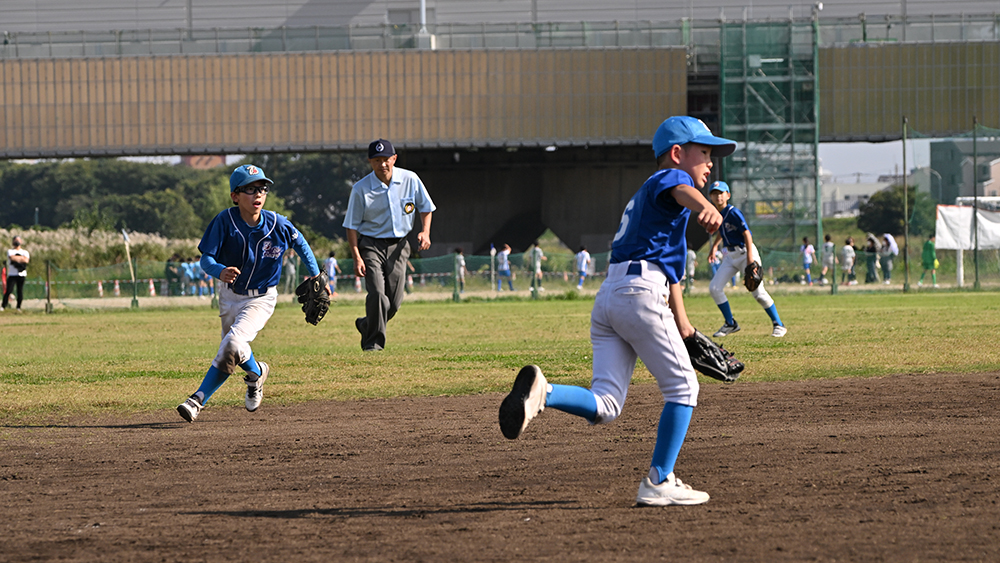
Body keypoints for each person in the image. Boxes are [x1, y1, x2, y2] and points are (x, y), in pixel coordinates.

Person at [499, 115, 734, 506]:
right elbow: (679, 186)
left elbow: (672, 277)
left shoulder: (657, 211)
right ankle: (660, 481)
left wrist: (686, 329)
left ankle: (545, 393)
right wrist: (705, 206)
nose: (711, 163)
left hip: (612, 296)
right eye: (704, 152)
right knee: (684, 388)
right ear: (676, 154)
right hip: (639, 294)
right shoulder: (668, 180)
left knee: (606, 404)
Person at [176, 164, 324, 423]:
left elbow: (300, 242)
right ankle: (256, 375)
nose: (258, 194)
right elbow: (206, 259)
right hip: (230, 295)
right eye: (250, 189)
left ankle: (197, 400)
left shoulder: (277, 223)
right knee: (233, 349)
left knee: (231, 344)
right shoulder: (225, 221)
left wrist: (316, 276)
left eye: (262, 189)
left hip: (262, 298)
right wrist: (220, 271)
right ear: (235, 196)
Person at [344, 139, 436, 351]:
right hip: (371, 245)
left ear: (394, 159)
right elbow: (351, 226)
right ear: (370, 162)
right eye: (377, 160)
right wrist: (357, 256)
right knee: (376, 293)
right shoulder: (360, 189)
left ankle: (366, 324)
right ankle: (373, 344)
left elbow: (426, 207)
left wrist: (425, 231)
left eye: (386, 159)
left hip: (400, 246)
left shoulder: (410, 179)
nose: (382, 164)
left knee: (393, 303)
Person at [706, 181, 787, 338]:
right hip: (730, 256)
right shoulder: (718, 213)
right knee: (714, 288)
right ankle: (730, 323)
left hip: (745, 253)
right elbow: (722, 232)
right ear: (710, 197)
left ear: (728, 195)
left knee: (758, 293)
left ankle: (779, 324)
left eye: (721, 193)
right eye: (714, 193)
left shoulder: (733, 212)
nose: (718, 196)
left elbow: (747, 234)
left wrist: (750, 258)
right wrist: (714, 247)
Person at [2, 236, 30, 312]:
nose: (17, 242)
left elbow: (26, 260)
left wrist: (18, 259)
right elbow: (11, 258)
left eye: (18, 240)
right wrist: (21, 258)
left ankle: (18, 307)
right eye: (15, 240)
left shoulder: (25, 252)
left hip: (21, 274)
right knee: (9, 290)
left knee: (19, 291)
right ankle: (3, 306)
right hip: (12, 274)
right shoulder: (10, 251)